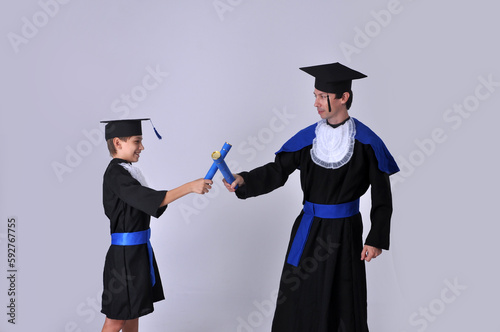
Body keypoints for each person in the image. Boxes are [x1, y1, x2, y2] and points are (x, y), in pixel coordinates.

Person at [224, 62, 399, 331]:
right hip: (309, 230)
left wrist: (375, 239)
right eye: (315, 95)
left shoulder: (367, 143)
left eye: (322, 96)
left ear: (343, 98)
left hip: (346, 232)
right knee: (300, 294)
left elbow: (382, 196)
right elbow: (276, 172)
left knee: (343, 296)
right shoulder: (308, 139)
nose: (315, 103)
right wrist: (244, 180)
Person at [99, 118, 212, 332]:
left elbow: (152, 204)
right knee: (116, 319)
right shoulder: (116, 174)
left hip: (138, 252)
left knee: (133, 314)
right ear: (117, 142)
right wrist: (190, 187)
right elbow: (153, 200)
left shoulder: (129, 171)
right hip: (124, 258)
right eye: (137, 141)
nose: (142, 147)